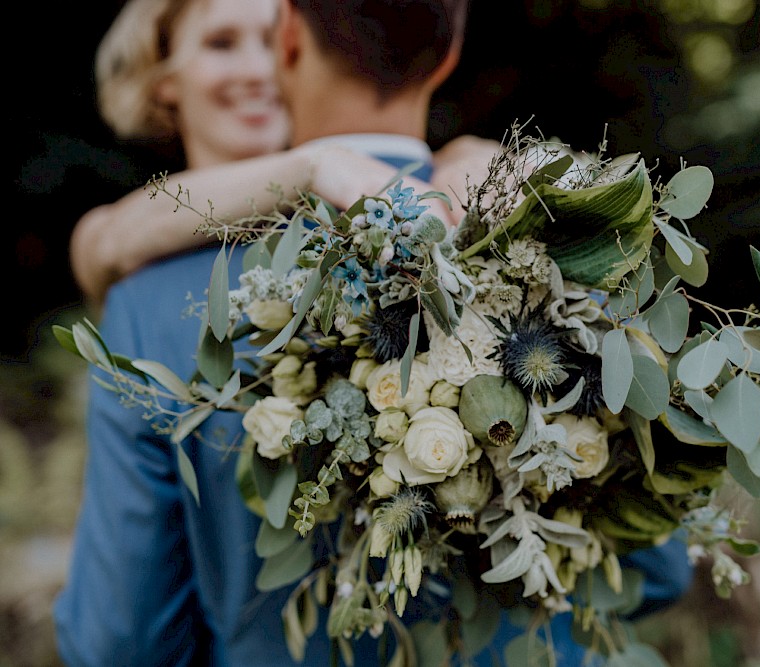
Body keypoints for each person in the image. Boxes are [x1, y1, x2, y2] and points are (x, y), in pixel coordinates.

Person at [54, 0, 692, 664]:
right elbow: (660, 565)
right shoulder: (556, 248)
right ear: (449, 56)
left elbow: (120, 640)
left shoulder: (152, 305)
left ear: (290, 42)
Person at [69, 0, 498, 309]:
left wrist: (468, 154)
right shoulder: (132, 246)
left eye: (273, 39)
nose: (259, 71)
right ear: (161, 70)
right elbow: (103, 243)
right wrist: (314, 166)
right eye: (221, 43)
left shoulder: (375, 197)